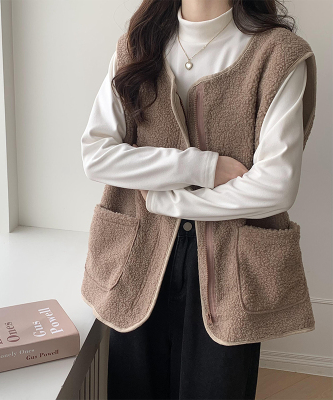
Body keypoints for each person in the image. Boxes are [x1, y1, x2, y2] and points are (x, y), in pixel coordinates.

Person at [81, 0, 311, 398]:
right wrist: (203, 167)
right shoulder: (137, 46)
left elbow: (277, 186)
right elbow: (97, 155)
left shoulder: (278, 54)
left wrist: (170, 202)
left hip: (231, 264)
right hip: (138, 254)